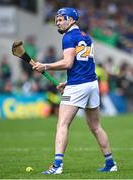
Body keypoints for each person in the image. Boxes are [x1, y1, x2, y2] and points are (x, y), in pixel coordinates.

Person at [33, 7, 117, 174]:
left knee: (62, 124)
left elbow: (68, 63)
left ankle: (57, 166)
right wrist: (67, 82)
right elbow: (82, 65)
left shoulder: (68, 37)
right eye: (56, 20)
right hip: (91, 84)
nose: (58, 22)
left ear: (71, 20)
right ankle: (111, 163)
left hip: (79, 86)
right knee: (96, 126)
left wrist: (46, 65)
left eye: (61, 19)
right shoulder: (85, 37)